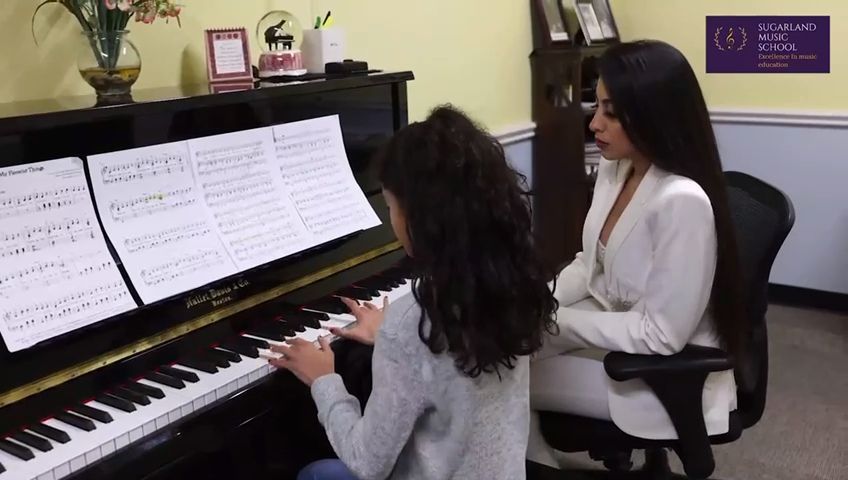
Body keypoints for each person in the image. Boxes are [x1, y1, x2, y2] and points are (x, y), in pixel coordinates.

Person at [266, 105, 558, 479]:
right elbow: (444, 365)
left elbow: (367, 462)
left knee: (316, 473)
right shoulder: (512, 282)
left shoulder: (411, 323)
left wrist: (324, 379)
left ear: (421, 217)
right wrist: (395, 340)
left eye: (388, 204)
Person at [526, 39, 746, 467]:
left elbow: (662, 336)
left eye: (610, 111)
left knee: (503, 378)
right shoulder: (617, 168)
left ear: (652, 115)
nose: (594, 124)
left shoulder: (681, 201)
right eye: (597, 106)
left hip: (660, 377)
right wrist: (538, 300)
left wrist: (558, 323)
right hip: (619, 340)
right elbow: (590, 264)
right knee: (502, 352)